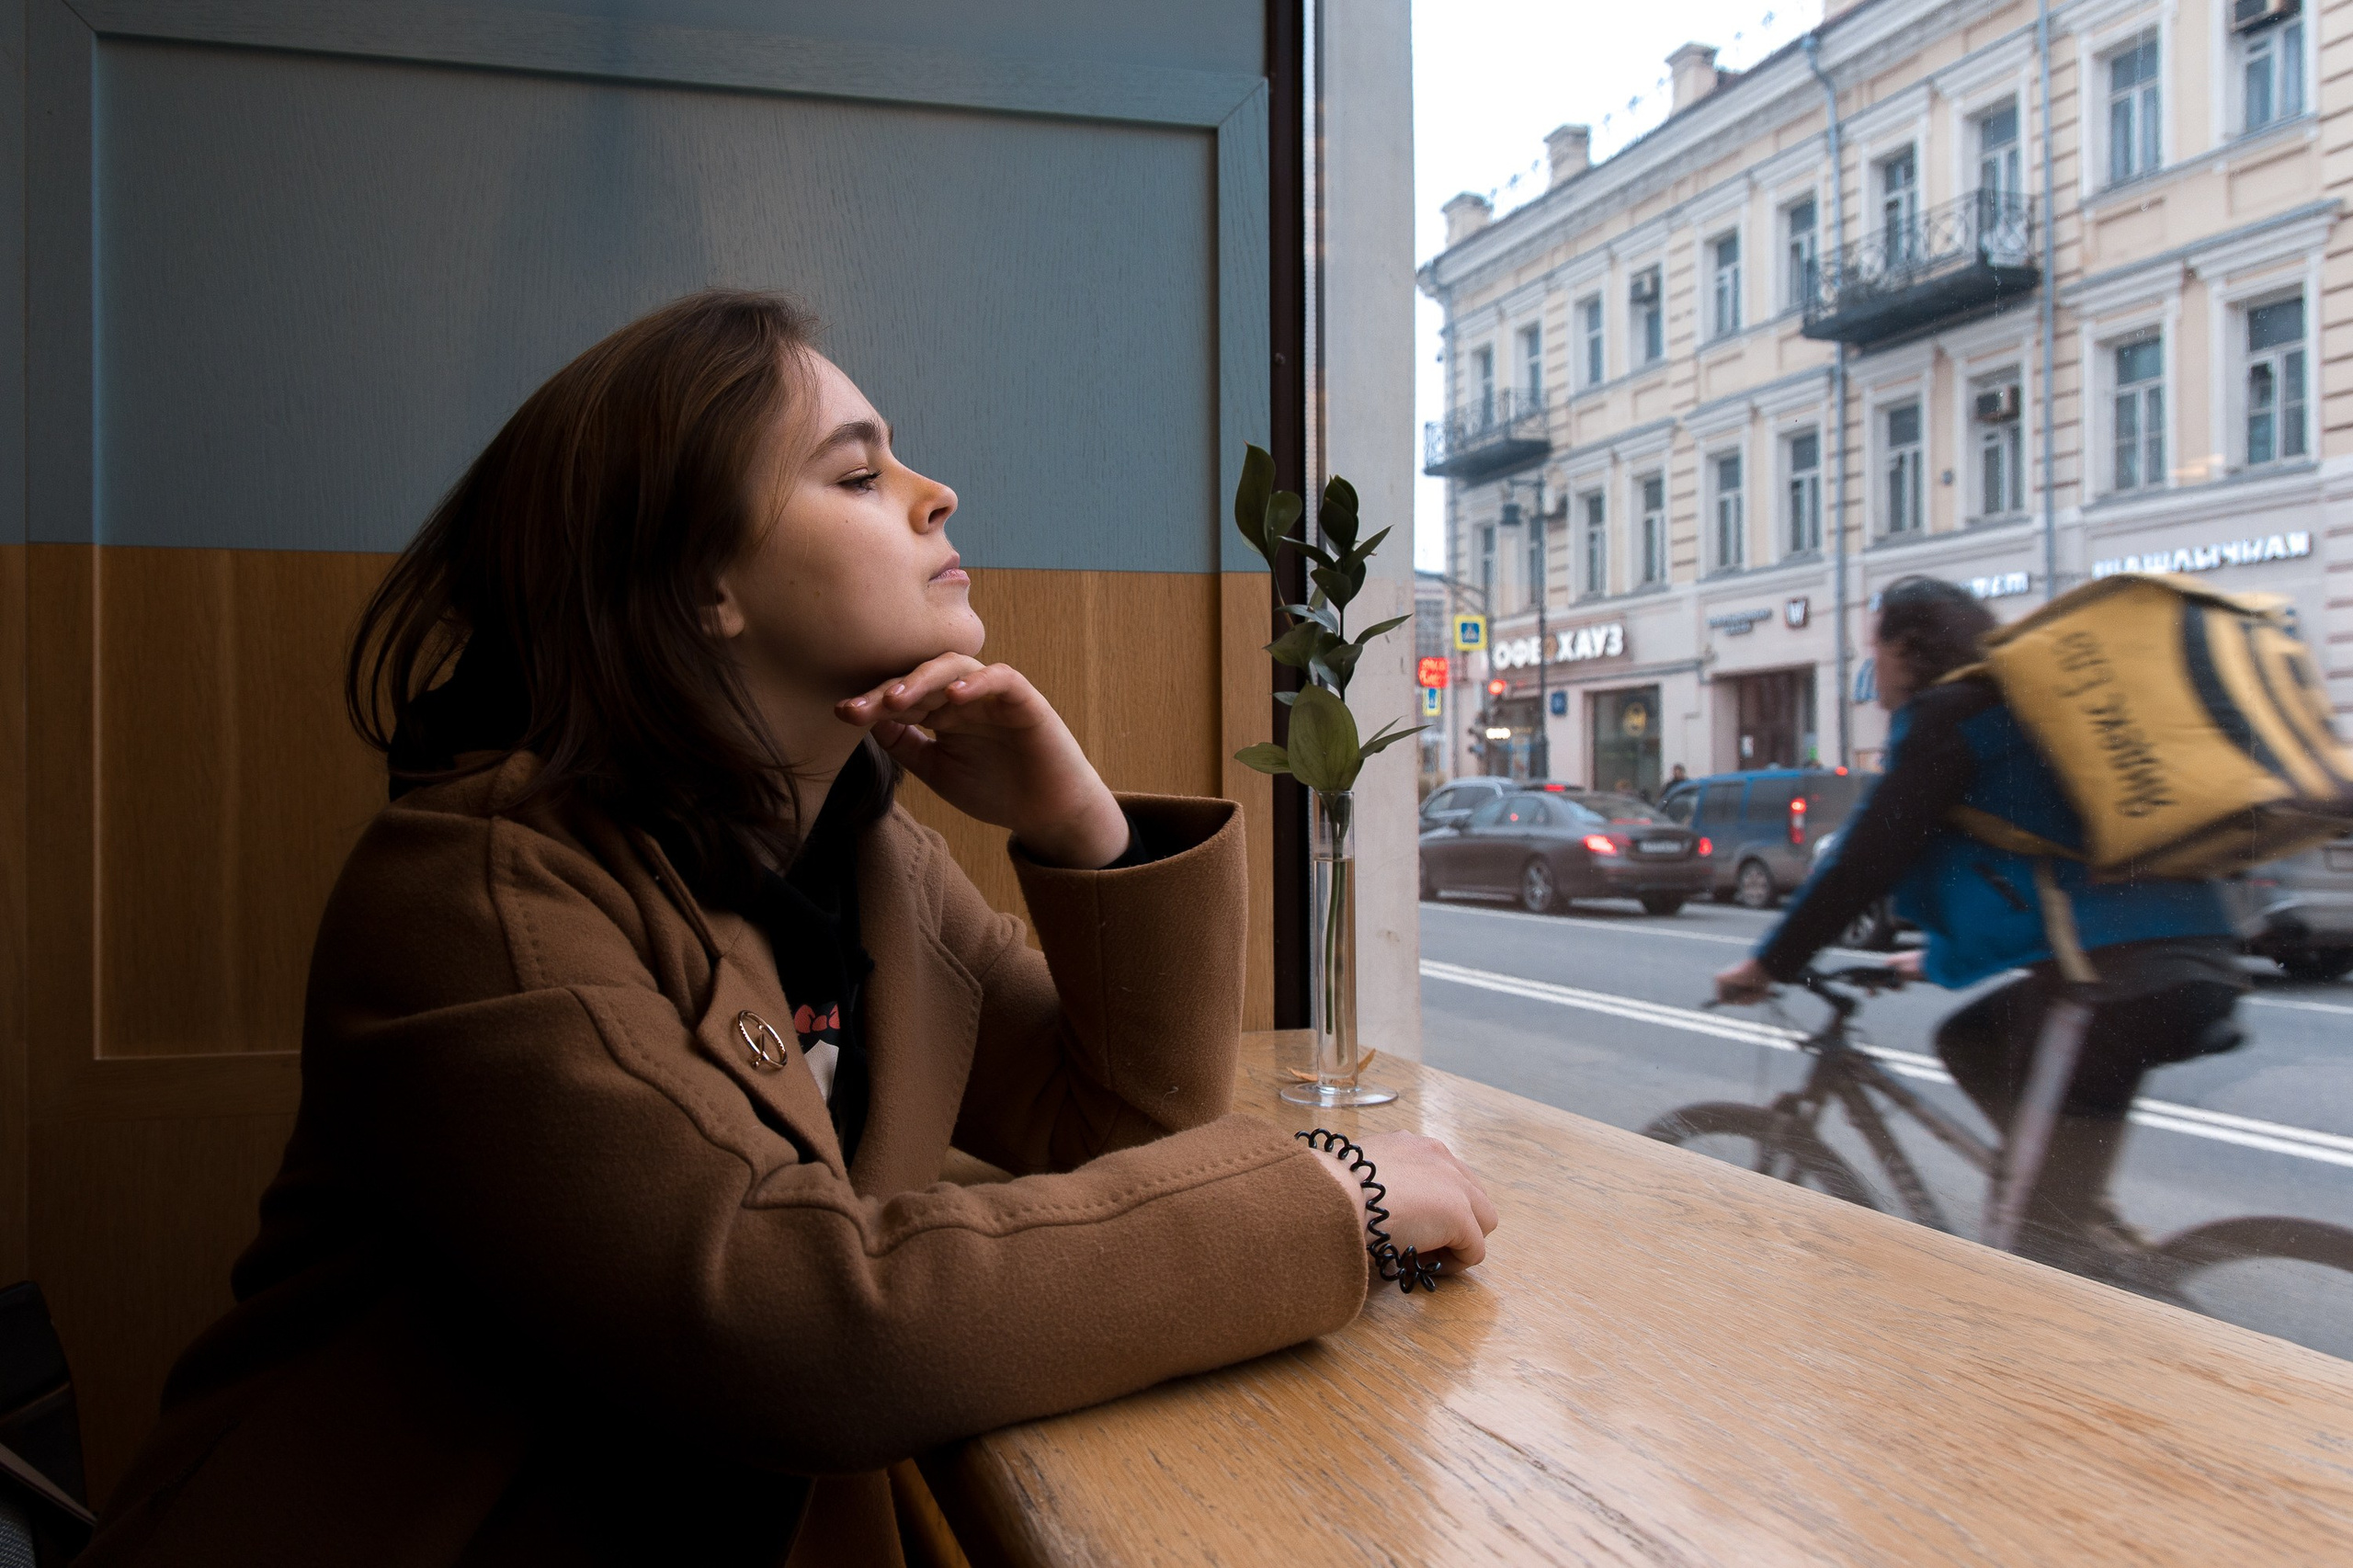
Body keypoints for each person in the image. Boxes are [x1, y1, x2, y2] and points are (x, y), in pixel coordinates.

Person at [85, 291, 1497, 1567]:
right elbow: (795, 1324)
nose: (939, 494)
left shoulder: (872, 857)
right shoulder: (478, 891)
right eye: (861, 470)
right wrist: (1335, 1197)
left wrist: (1081, 831)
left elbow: (1126, 1127)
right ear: (704, 578)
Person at [1713, 576, 2245, 1268]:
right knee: (1970, 1038)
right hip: (2181, 958)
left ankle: (2057, 1248)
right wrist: (1927, 960)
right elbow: (2037, 878)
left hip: (2117, 981)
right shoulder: (2014, 708)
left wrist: (1768, 963)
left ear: (1907, 650)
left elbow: (1867, 860)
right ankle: (2062, 1191)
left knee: (2024, 1267)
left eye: (1875, 652)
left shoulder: (1951, 714)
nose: (1873, 673)